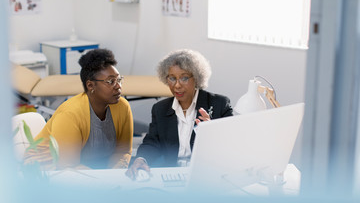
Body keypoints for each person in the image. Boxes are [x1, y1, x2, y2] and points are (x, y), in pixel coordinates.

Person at [126, 49, 233, 180]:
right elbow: (152, 142)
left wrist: (211, 132)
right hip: (171, 174)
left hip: (205, 175)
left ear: (197, 78)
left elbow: (232, 146)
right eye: (172, 78)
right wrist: (141, 159)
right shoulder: (160, 109)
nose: (177, 85)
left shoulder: (219, 105)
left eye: (184, 78)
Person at [24, 49, 133, 170]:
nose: (118, 86)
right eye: (111, 81)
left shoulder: (122, 107)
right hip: (45, 169)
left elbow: (123, 151)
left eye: (119, 80)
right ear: (90, 85)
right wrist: (103, 182)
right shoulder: (70, 114)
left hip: (89, 168)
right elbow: (67, 166)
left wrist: (114, 174)